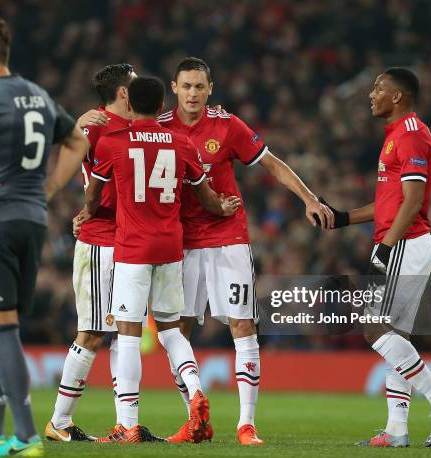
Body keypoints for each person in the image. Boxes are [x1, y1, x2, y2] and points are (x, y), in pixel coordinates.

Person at [157, 57, 333, 445]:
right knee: (177, 331)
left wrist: (308, 198)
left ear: (210, 89)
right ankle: (195, 417)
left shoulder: (226, 124)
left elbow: (271, 163)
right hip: (180, 244)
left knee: (243, 326)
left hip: (227, 240)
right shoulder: (159, 130)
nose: (193, 93)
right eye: (186, 86)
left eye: (199, 87)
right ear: (174, 88)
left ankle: (246, 424)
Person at [0, 18, 88, 457]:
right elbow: (77, 141)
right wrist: (46, 189)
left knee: (2, 328)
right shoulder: (40, 95)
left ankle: (25, 435)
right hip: (32, 220)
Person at [79, 76, 241, 444]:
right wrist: (223, 206)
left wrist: (87, 212)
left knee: (129, 335)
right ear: (163, 103)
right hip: (170, 248)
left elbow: (94, 195)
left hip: (132, 249)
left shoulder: (113, 143)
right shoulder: (181, 141)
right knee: (171, 330)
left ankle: (128, 424)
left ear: (130, 105)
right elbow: (207, 197)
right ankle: (196, 390)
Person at [318, 68, 431, 448]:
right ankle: (397, 430)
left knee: (373, 328)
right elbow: (391, 203)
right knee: (395, 335)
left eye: (378, 89)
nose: (371, 94)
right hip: (402, 241)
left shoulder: (412, 134)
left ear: (397, 96)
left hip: (404, 243)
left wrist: (386, 247)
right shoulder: (397, 136)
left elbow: (413, 202)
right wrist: (345, 218)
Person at [45, 63, 137, 443]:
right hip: (99, 241)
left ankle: (123, 424)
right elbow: (66, 155)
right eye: (134, 85)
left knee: (120, 334)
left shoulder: (136, 128)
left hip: (128, 241)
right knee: (93, 332)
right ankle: (59, 422)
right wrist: (73, 123)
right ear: (122, 92)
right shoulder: (93, 128)